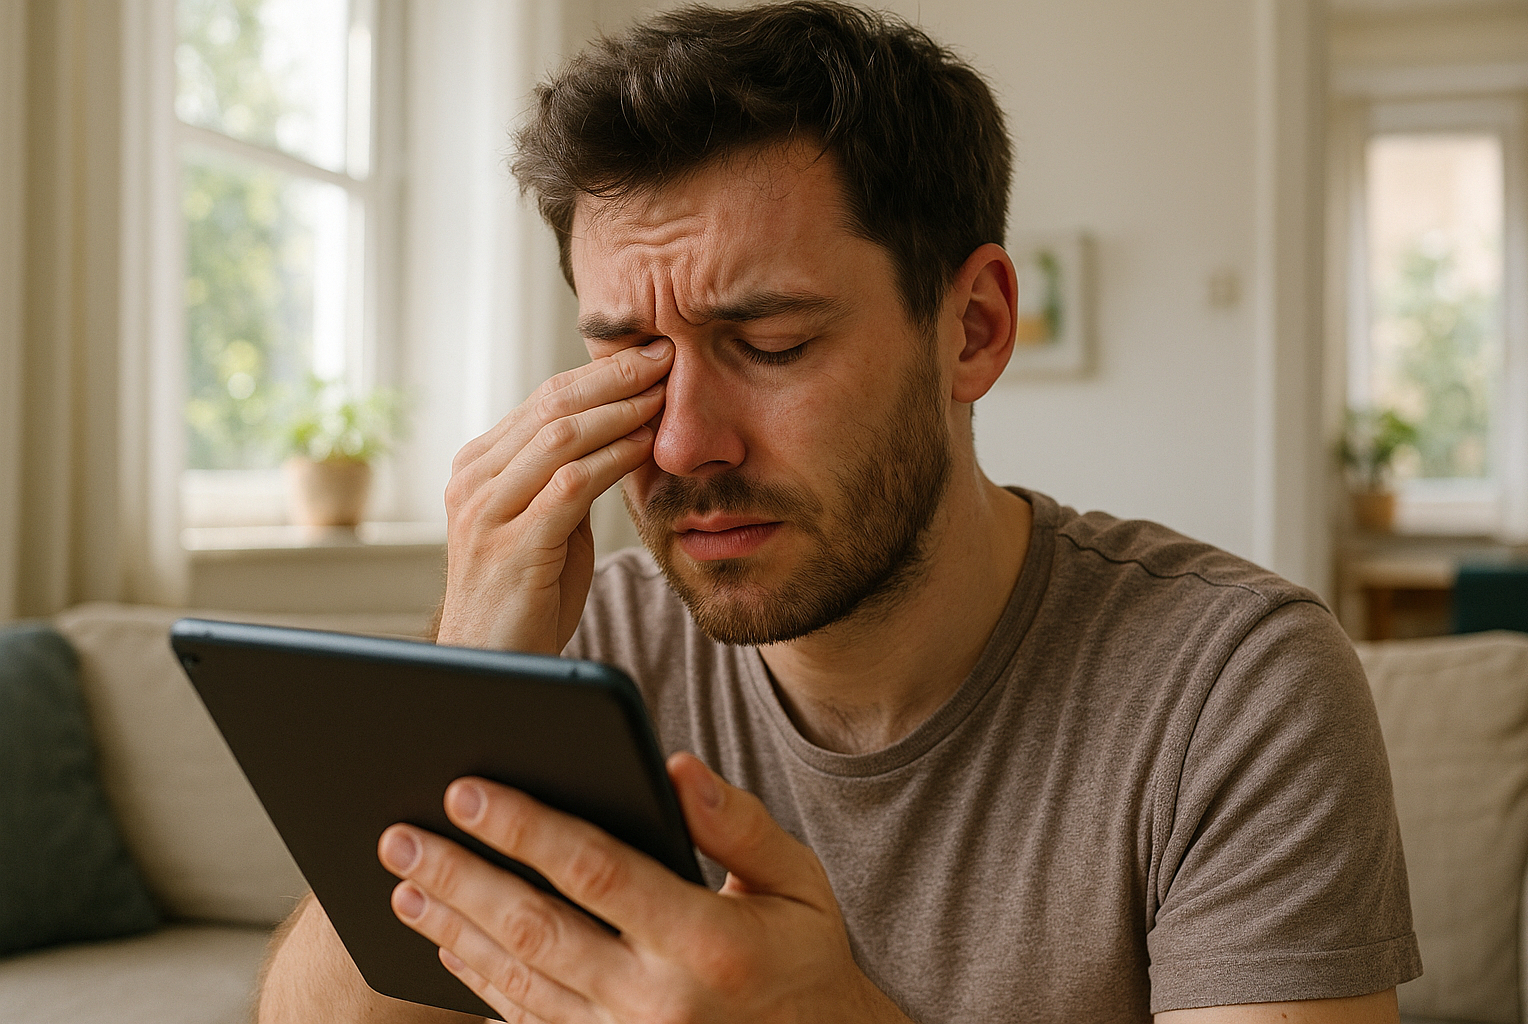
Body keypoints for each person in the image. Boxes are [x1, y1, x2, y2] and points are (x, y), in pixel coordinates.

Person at [257, 3, 1422, 1022]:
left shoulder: (1235, 688)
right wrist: (461, 689)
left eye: (772, 344)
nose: (682, 444)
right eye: (631, 360)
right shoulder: (579, 649)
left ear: (973, 329)